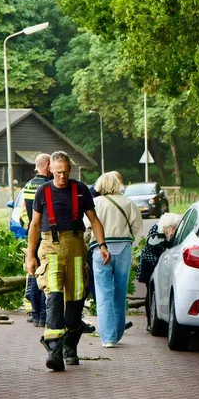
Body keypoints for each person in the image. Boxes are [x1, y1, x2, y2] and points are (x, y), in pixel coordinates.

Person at [25, 151, 110, 371]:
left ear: (70, 170)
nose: (62, 176)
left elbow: (94, 220)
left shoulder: (80, 190)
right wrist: (30, 255)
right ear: (50, 170)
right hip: (50, 249)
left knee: (75, 302)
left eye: (65, 172)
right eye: (58, 172)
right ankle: (54, 350)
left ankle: (70, 345)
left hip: (76, 249)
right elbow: (34, 225)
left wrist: (102, 245)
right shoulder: (43, 191)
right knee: (53, 297)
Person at [90, 172, 143, 347]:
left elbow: (87, 225)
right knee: (120, 292)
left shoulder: (96, 203)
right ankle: (118, 332)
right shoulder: (128, 203)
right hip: (123, 249)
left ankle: (108, 338)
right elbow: (137, 227)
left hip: (100, 249)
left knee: (103, 294)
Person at [20, 153, 52, 328]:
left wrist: (28, 228)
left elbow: (23, 214)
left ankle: (35, 314)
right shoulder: (47, 186)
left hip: (32, 234)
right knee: (45, 274)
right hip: (45, 234)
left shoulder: (28, 185)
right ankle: (44, 315)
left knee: (33, 274)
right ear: (47, 164)